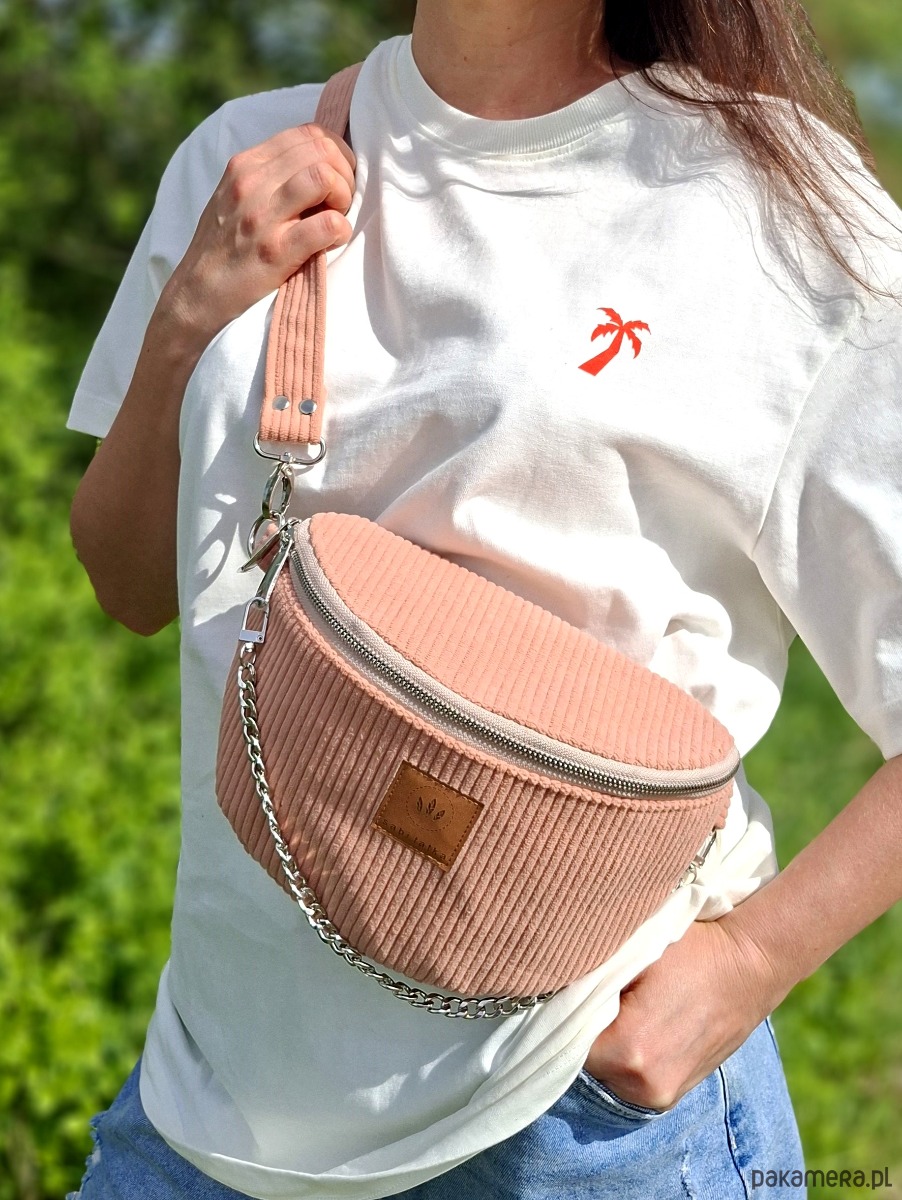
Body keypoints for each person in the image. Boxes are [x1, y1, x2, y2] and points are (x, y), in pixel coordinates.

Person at [66, 0, 902, 1196]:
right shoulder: (244, 155)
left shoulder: (769, 203)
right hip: (216, 1094)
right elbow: (129, 582)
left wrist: (748, 964)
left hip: (569, 1119)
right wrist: (189, 316)